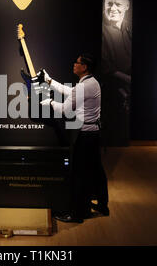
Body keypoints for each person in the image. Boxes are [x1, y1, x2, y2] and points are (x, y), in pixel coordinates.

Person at [39, 54, 109, 223]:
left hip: (84, 135)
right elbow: (70, 92)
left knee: (79, 174)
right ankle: (102, 205)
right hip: (93, 134)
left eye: (77, 62)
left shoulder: (84, 86)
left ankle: (78, 213)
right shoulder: (91, 82)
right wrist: (49, 81)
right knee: (96, 170)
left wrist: (49, 102)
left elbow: (65, 109)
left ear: (84, 67)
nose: (74, 64)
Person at [101, 0, 132, 145]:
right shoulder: (102, 30)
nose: (112, 8)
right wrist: (127, 79)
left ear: (127, 6)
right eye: (109, 3)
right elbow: (105, 66)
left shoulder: (129, 29)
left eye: (118, 5)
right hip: (111, 96)